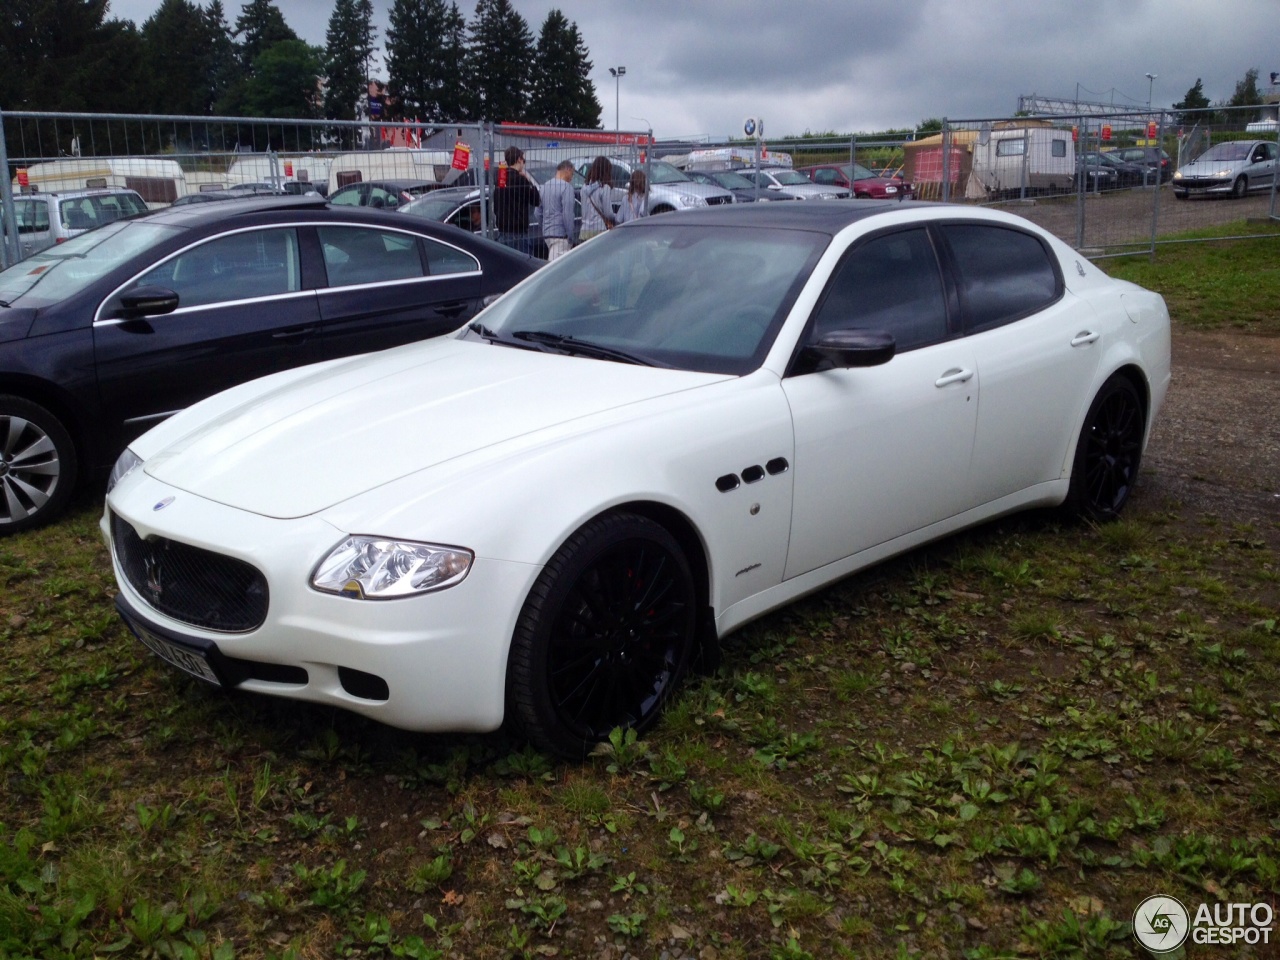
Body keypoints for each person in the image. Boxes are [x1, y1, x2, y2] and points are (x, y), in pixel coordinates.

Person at [493, 146, 540, 254]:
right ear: (519, 159)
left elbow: (495, 204)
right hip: (518, 232)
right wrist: (529, 181)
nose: (524, 163)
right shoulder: (521, 179)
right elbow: (536, 200)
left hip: (502, 230)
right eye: (524, 160)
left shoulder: (500, 179)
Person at [539, 160, 577, 261]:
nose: (572, 178)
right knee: (558, 270)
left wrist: (544, 225)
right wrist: (570, 236)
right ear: (567, 170)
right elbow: (567, 214)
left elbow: (537, 212)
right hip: (561, 235)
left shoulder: (544, 186)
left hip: (547, 234)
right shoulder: (567, 188)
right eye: (572, 174)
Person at [580, 156, 616, 241]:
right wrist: (616, 217)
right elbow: (608, 213)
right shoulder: (605, 188)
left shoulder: (584, 188)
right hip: (599, 228)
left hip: (585, 229)